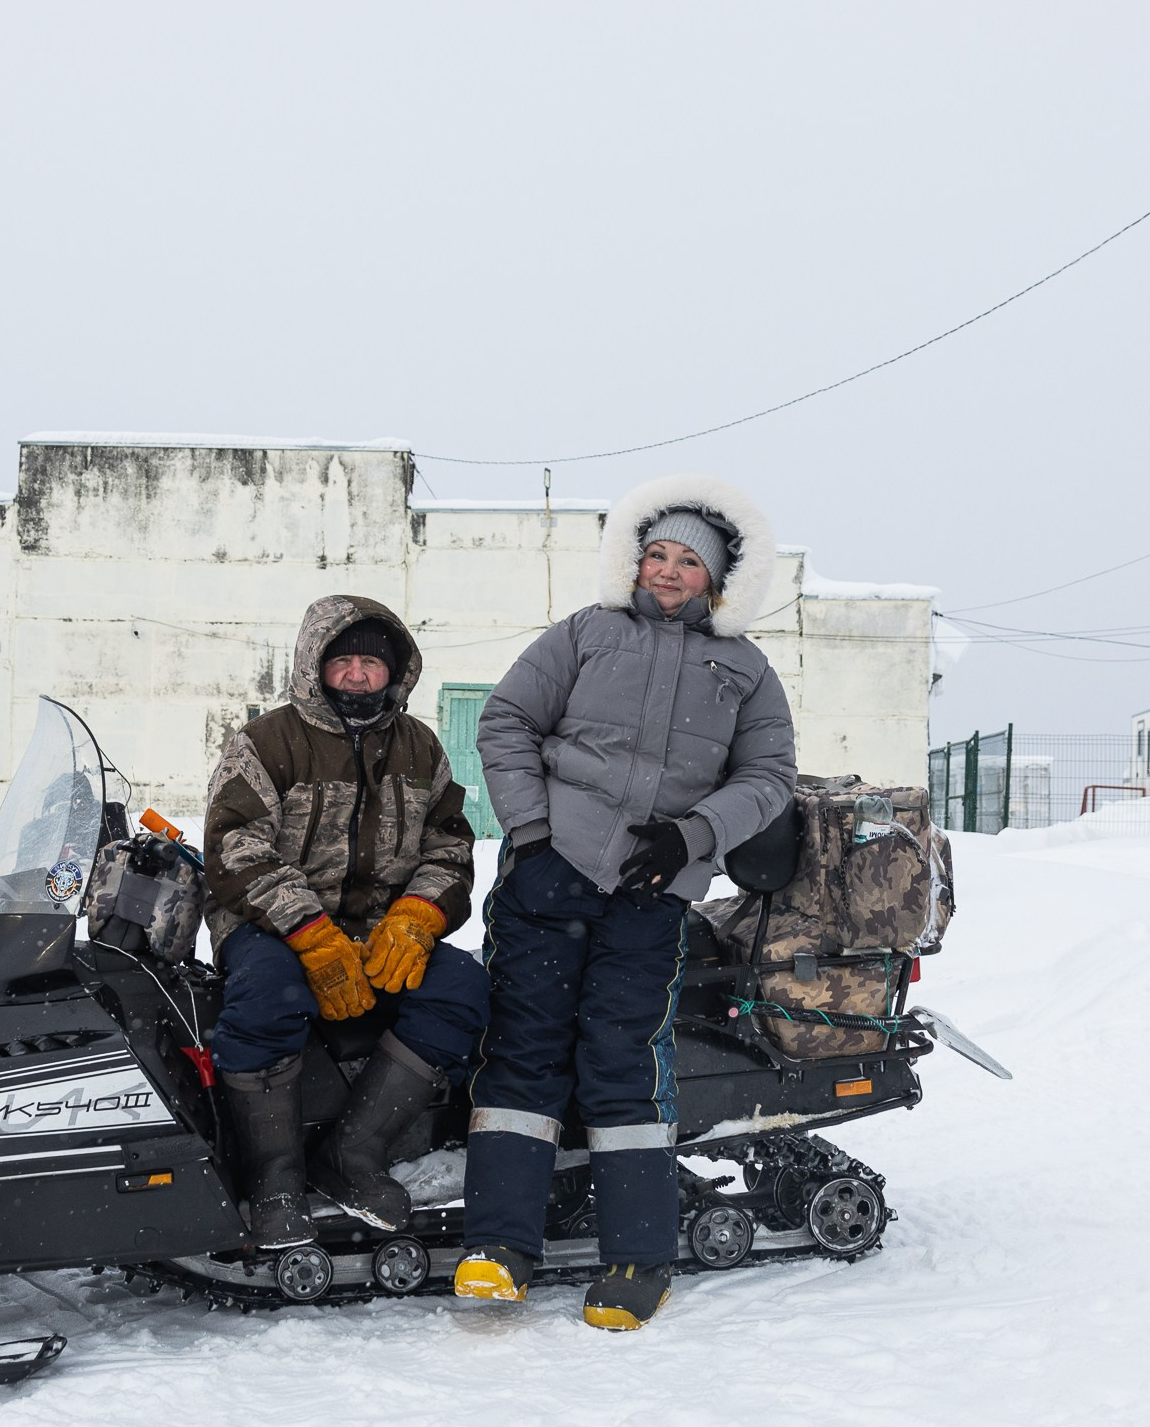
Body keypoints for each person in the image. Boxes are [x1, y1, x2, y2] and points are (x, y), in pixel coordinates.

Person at [455, 475, 796, 1330]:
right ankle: (499, 1249)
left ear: (717, 580)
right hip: (548, 880)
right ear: (634, 562)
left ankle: (638, 1257)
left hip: (651, 893)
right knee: (525, 1051)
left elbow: (770, 778)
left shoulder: (747, 671)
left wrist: (691, 837)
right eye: (657, 555)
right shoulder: (584, 634)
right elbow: (505, 721)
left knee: (623, 1060)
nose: (669, 572)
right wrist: (530, 836)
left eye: (688, 561)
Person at [202, 594, 487, 1245]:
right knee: (268, 995)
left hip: (380, 930)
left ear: (396, 672)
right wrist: (309, 932)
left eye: (372, 663)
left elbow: (450, 847)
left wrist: (416, 916)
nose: (358, 674)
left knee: (461, 987)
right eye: (343, 661)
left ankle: (351, 1155)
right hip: (269, 925)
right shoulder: (267, 742)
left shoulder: (420, 749)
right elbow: (233, 846)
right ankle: (273, 1178)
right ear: (314, 665)